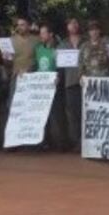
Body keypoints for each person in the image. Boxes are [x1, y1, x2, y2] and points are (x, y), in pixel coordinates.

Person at [34, 22, 65, 150]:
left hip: (54, 86)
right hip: (41, 87)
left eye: (43, 33)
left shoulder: (58, 49)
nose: (41, 35)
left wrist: (59, 77)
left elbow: (62, 66)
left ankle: (61, 143)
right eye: (40, 33)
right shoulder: (39, 49)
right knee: (42, 115)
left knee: (57, 115)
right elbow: (36, 65)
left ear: (50, 34)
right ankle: (44, 141)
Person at [59, 18, 84, 152]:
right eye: (70, 23)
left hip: (85, 83)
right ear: (67, 26)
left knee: (85, 114)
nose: (73, 25)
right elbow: (58, 66)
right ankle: (76, 142)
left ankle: (85, 142)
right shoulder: (63, 44)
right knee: (73, 115)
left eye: (75, 22)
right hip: (69, 82)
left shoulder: (85, 42)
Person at [5, 15, 38, 97]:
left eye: (22, 25)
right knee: (13, 104)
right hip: (16, 76)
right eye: (18, 25)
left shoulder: (37, 40)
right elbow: (7, 63)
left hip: (32, 76)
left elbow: (40, 58)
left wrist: (30, 68)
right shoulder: (11, 40)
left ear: (29, 26)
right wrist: (6, 57)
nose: (19, 27)